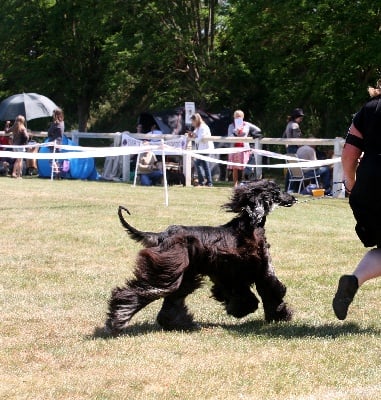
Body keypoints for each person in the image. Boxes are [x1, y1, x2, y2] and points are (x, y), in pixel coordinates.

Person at [332, 79, 381, 320]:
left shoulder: (369, 109)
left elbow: (349, 153)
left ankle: (353, 280)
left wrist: (351, 184)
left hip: (369, 189)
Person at [227, 110, 262, 187]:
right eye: (236, 116)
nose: (238, 118)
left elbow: (258, 129)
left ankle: (243, 183)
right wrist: (235, 132)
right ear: (234, 117)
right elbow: (229, 137)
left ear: (243, 117)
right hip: (234, 148)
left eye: (239, 116)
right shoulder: (231, 126)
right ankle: (235, 185)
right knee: (235, 167)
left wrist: (254, 134)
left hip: (244, 148)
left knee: (244, 166)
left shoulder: (247, 124)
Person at [189, 113, 214, 187]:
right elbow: (196, 135)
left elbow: (198, 139)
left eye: (192, 121)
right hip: (201, 149)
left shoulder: (203, 127)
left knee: (202, 165)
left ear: (196, 120)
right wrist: (192, 134)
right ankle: (207, 182)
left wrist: (194, 137)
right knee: (203, 165)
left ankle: (205, 182)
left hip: (206, 148)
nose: (192, 123)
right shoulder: (198, 127)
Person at [47, 108, 65, 176]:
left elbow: (49, 133)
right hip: (59, 143)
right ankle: (57, 173)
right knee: (56, 160)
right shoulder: (62, 123)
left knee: (51, 160)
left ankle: (57, 172)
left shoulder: (55, 123)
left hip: (53, 143)